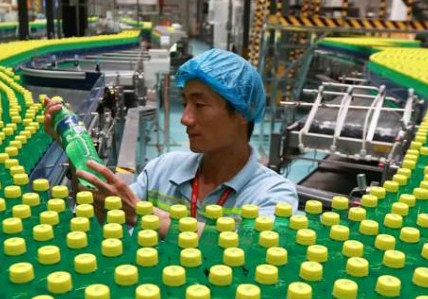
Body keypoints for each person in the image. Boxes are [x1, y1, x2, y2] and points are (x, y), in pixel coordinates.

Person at [44, 49, 298, 237]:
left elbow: (254, 252)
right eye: (186, 103)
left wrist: (143, 215)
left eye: (199, 105)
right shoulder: (162, 170)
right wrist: (74, 145)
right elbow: (108, 217)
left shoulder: (273, 193)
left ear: (242, 112)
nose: (186, 118)